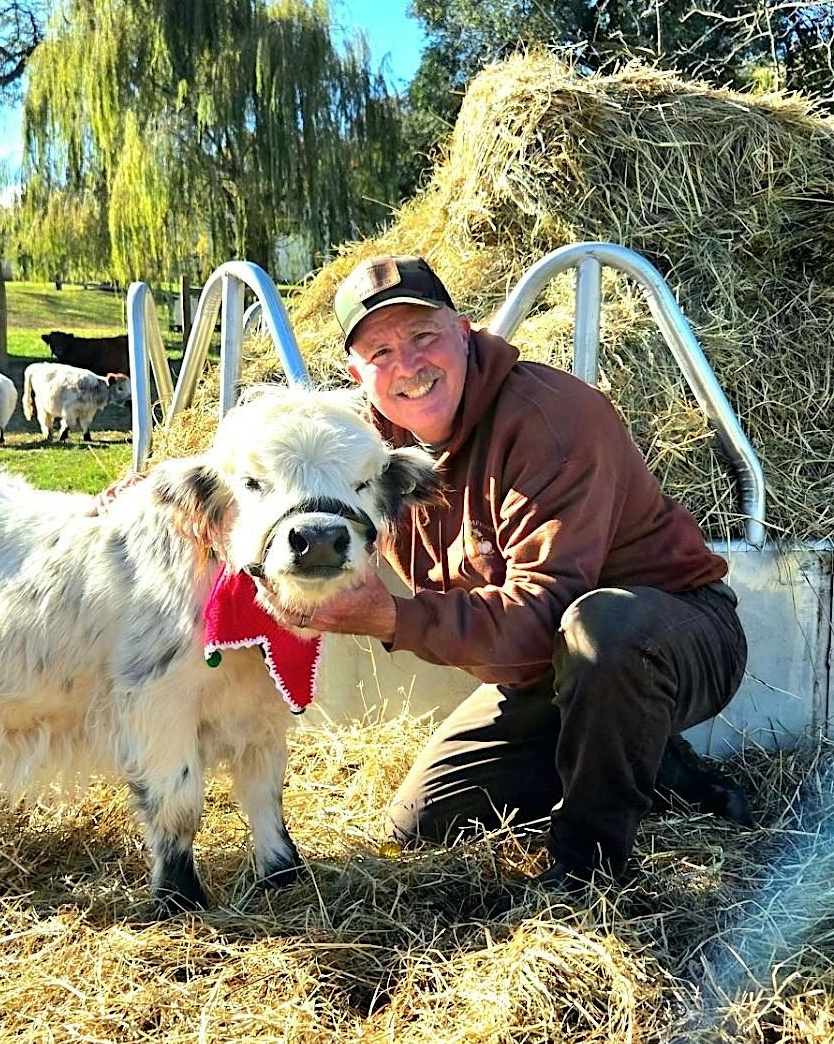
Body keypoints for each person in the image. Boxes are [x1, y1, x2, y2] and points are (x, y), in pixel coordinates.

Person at [285, 254, 749, 888]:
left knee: (599, 630)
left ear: (464, 330)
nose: (409, 365)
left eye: (424, 336)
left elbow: (543, 618)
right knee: (422, 824)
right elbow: (262, 481)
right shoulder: (362, 445)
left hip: (670, 632)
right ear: (355, 372)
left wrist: (390, 616)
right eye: (381, 351)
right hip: (542, 672)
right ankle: (661, 768)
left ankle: (587, 873)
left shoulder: (552, 420)